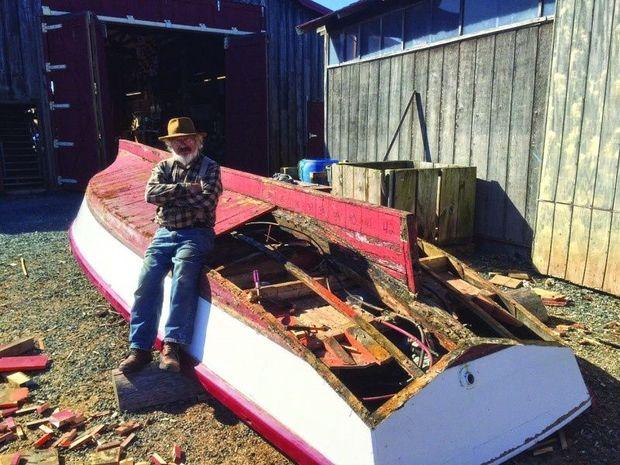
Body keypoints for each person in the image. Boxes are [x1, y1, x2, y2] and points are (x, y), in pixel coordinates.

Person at [118, 117, 222, 373]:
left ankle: (172, 346)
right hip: (164, 233)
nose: (182, 144)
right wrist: (187, 189)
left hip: (197, 234)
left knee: (183, 278)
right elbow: (150, 194)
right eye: (176, 140)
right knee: (146, 282)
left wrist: (170, 197)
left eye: (187, 138)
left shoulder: (210, 167)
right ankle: (139, 349)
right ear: (170, 144)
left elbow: (207, 203)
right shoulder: (163, 166)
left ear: (198, 140)